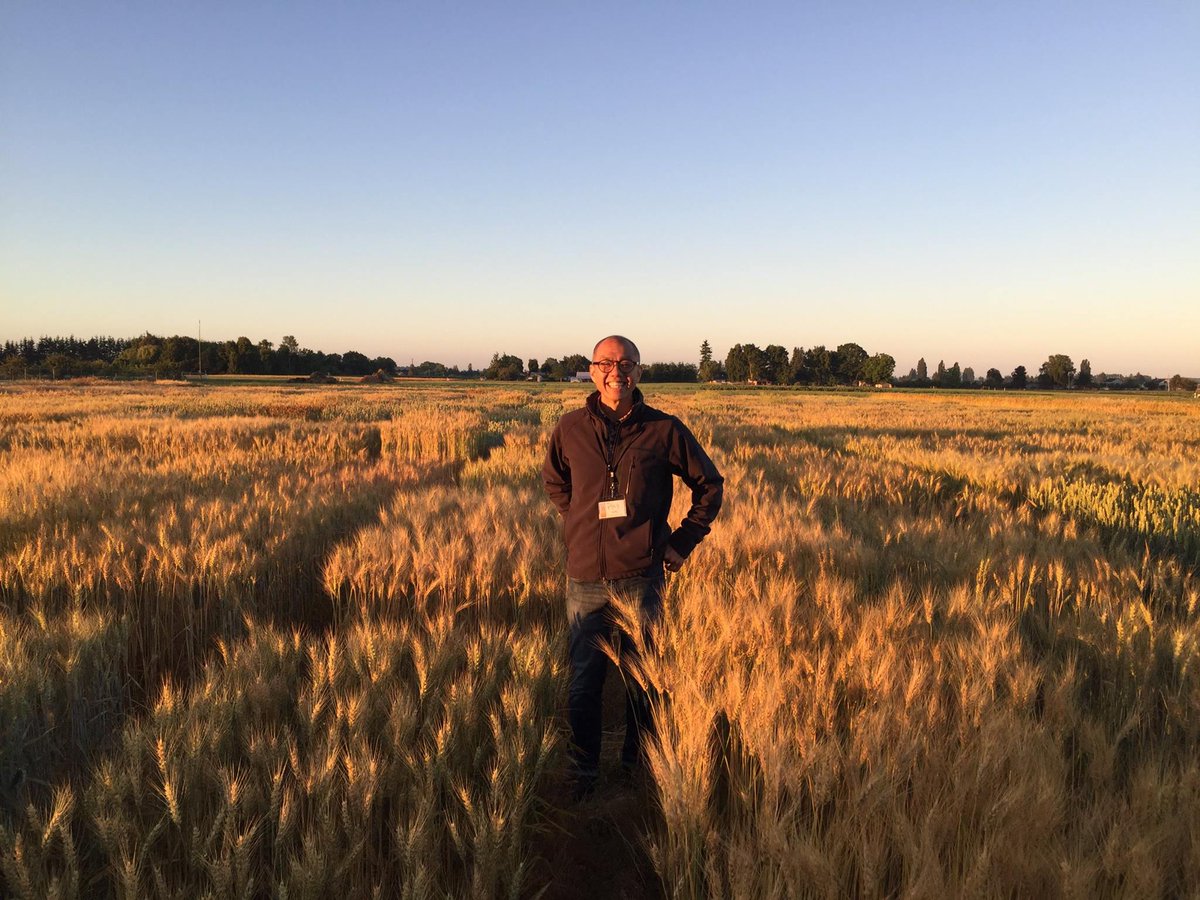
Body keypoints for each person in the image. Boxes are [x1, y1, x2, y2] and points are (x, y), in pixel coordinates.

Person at [542, 335, 723, 798]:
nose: (615, 371)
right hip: (584, 577)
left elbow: (709, 487)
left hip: (642, 576)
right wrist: (581, 524)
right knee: (584, 681)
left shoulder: (665, 430)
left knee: (644, 680)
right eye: (606, 363)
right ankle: (584, 771)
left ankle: (637, 766)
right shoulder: (569, 428)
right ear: (591, 369)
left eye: (626, 363)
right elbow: (556, 482)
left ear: (639, 372)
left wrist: (682, 542)